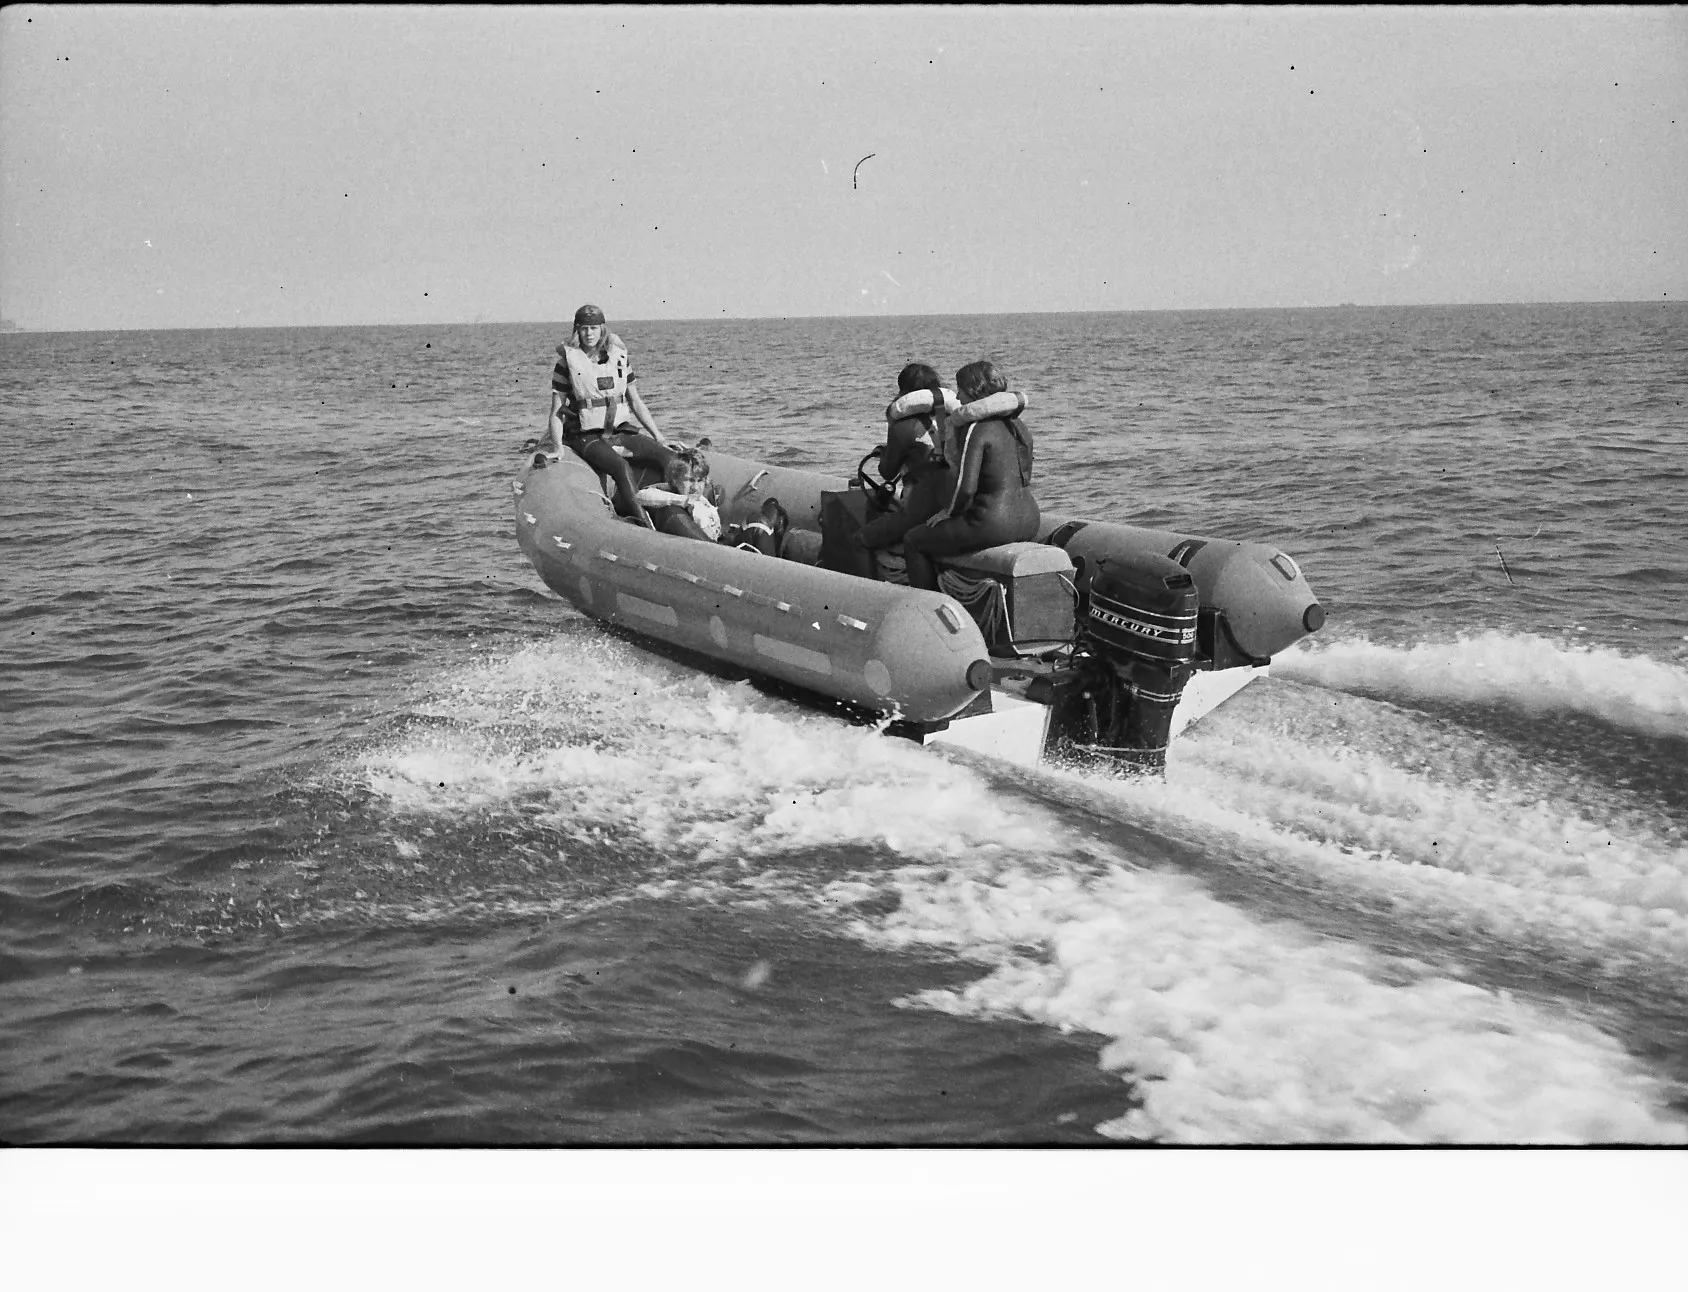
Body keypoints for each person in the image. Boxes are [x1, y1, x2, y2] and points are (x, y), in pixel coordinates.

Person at [901, 360, 1039, 591]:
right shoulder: (1018, 424)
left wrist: (948, 513)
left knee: (913, 540)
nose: (958, 396)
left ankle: (932, 611)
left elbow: (965, 489)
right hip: (1030, 519)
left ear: (975, 392)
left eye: (961, 390)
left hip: (992, 524)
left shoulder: (977, 429)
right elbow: (1025, 474)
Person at [547, 304, 678, 529]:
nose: (589, 333)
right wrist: (557, 446)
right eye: (584, 328)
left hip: (620, 430)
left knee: (668, 457)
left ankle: (676, 513)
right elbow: (557, 411)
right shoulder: (565, 365)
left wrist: (659, 436)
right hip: (586, 435)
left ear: (602, 329)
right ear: (577, 330)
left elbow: (636, 401)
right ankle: (646, 526)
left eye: (594, 328)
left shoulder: (618, 359)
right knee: (620, 468)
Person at [855, 362, 962, 557]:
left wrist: (885, 449)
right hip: (956, 503)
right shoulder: (956, 420)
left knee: (861, 538)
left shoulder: (903, 425)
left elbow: (887, 472)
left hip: (921, 508)